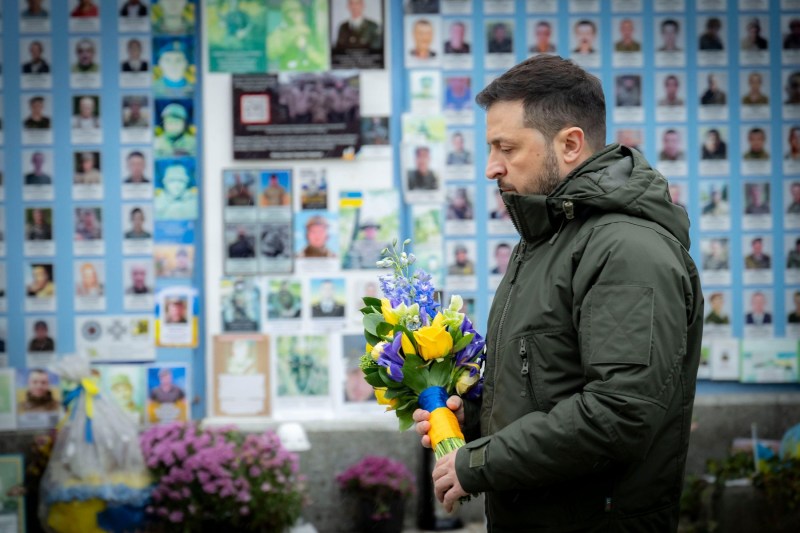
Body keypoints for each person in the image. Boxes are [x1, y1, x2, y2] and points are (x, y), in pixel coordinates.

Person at [412, 55, 703, 530]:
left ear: (570, 144)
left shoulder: (627, 249)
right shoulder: (546, 239)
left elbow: (619, 415)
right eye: (491, 148)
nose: (491, 168)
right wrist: (473, 417)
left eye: (506, 148)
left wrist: (479, 463)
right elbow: (547, 387)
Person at [266, 0, 327, 71]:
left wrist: (305, 48)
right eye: (291, 11)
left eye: (298, 10)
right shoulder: (278, 33)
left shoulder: (310, 33)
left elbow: (322, 62)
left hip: (309, 74)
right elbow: (270, 53)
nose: (296, 14)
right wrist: (295, 31)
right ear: (284, 14)